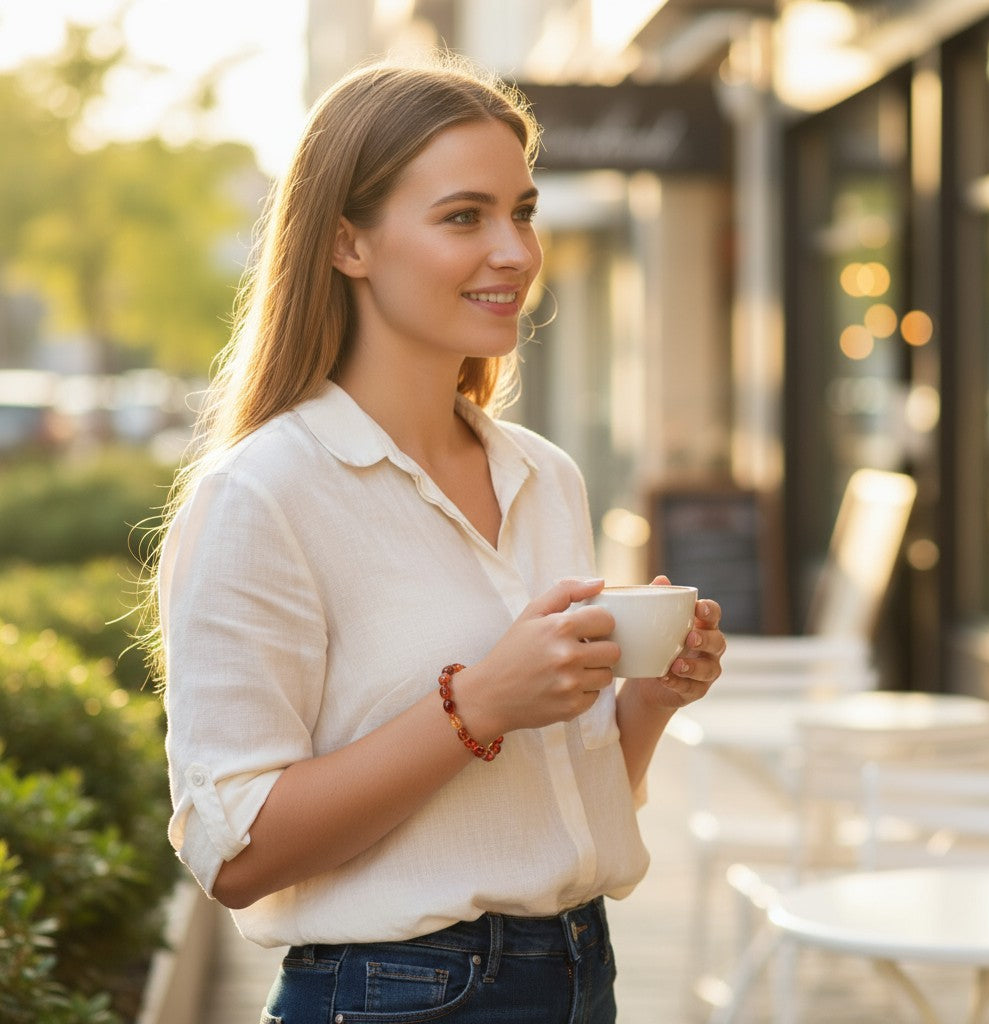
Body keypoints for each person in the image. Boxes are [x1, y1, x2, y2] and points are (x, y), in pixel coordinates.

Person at [153, 51, 725, 1024]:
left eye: (524, 211)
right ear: (349, 244)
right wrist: (479, 705)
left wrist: (645, 706)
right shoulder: (263, 495)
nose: (513, 250)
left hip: (582, 969)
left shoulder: (544, 476)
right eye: (465, 216)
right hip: (400, 995)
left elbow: (549, 802)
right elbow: (238, 855)